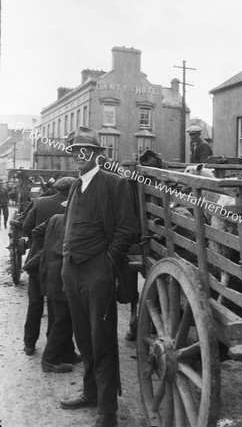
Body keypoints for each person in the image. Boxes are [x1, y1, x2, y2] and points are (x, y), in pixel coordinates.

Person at [60, 127, 137, 427]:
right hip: (72, 270)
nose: (79, 156)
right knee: (83, 337)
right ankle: (90, 393)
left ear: (95, 155)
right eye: (75, 150)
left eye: (85, 150)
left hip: (98, 271)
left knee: (102, 338)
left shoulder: (114, 184)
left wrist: (107, 261)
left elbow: (127, 228)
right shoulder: (74, 186)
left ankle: (107, 411)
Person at [22, 177, 76, 356]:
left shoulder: (40, 202)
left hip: (38, 259)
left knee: (35, 303)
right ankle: (54, 346)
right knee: (57, 306)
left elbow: (27, 226)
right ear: (72, 190)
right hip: (59, 261)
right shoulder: (73, 206)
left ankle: (29, 343)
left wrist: (43, 244)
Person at [32, 203, 82, 373]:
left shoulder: (55, 218)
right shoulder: (76, 223)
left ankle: (68, 353)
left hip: (49, 273)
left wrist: (47, 250)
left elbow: (36, 232)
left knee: (60, 316)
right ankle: (49, 360)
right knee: (64, 320)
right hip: (62, 276)